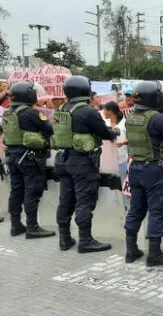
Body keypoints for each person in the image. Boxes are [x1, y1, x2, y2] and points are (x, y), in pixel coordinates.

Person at [53, 75, 118, 253]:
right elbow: (105, 134)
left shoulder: (61, 109)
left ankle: (64, 239)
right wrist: (114, 131)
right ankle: (85, 241)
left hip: (63, 160)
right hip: (82, 163)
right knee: (84, 201)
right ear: (86, 91)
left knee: (65, 201)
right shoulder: (88, 111)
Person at [123, 81, 163, 266]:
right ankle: (154, 254)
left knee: (135, 209)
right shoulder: (158, 119)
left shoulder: (131, 117)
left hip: (135, 168)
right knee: (158, 210)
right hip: (154, 170)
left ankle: (131, 250)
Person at [2, 82, 55, 238]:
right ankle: (32, 227)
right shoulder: (31, 113)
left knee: (16, 191)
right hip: (29, 158)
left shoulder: (7, 113)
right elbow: (49, 129)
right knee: (32, 191)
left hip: (12, 156)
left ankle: (15, 225)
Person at [102, 101, 128, 182]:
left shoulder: (124, 122)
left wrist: (123, 142)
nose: (103, 112)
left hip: (121, 160)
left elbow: (130, 138)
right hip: (107, 161)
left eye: (105, 110)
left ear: (111, 112)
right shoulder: (103, 123)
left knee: (121, 183)